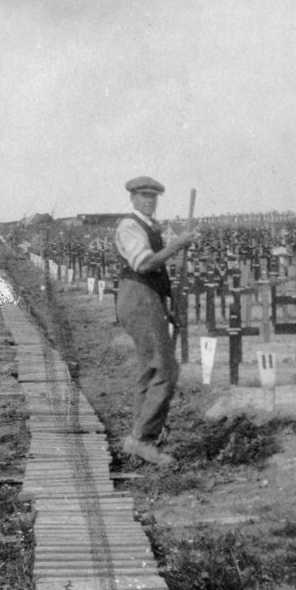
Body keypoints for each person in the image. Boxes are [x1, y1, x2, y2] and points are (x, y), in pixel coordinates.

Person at [114, 176, 196, 465]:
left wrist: (166, 305)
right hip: (138, 298)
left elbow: (157, 275)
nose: (149, 201)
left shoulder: (149, 227)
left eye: (153, 197)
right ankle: (144, 439)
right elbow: (145, 264)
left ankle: (138, 436)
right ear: (133, 198)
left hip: (149, 299)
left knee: (150, 369)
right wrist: (177, 245)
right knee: (166, 369)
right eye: (144, 196)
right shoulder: (129, 226)